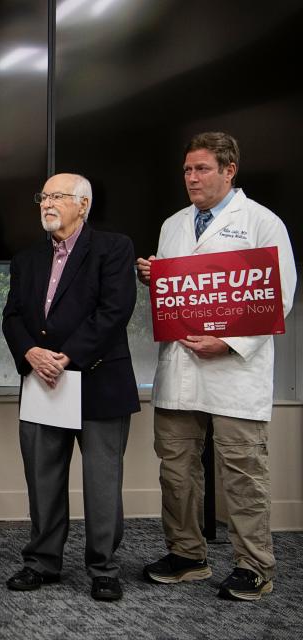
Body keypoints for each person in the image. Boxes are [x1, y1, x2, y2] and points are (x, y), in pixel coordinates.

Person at [137, 132, 297, 601]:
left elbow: (279, 296)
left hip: (234, 371)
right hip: (181, 368)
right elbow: (177, 296)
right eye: (187, 170)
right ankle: (187, 554)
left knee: (242, 471)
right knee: (176, 469)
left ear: (230, 170)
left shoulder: (263, 223)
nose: (192, 178)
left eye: (202, 169)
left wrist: (227, 342)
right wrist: (154, 276)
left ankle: (254, 565)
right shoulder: (173, 225)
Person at [2, 173, 139, 602]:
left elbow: (115, 308)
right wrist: (31, 353)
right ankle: (41, 561)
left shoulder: (113, 247)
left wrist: (66, 356)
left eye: (57, 196)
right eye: (43, 196)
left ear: (83, 204)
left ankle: (103, 567)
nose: (47, 203)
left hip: (97, 379)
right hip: (42, 381)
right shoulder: (26, 259)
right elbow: (11, 317)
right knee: (43, 477)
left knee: (101, 481)